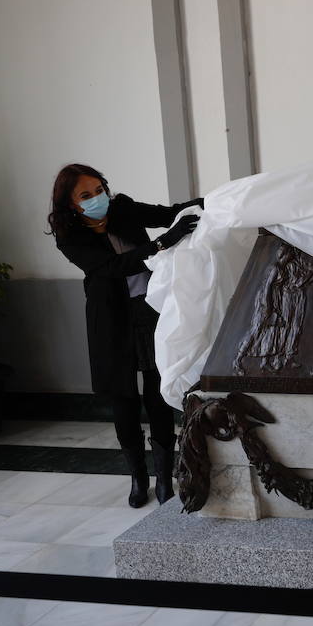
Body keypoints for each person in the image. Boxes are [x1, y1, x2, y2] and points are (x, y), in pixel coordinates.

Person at [47, 164, 201, 507]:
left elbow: (170, 213)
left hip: (148, 311)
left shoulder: (123, 208)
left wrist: (215, 202)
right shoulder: (69, 236)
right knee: (123, 399)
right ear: (71, 204)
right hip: (110, 319)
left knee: (157, 393)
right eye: (85, 195)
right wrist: (162, 244)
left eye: (99, 189)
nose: (96, 198)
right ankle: (137, 478)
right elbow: (109, 269)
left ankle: (164, 477)